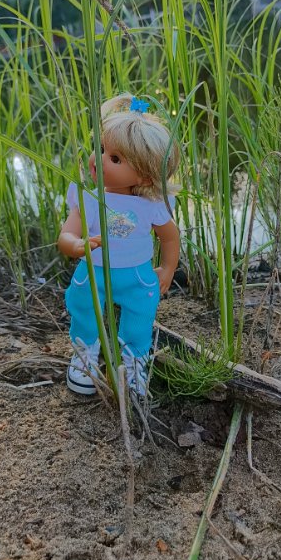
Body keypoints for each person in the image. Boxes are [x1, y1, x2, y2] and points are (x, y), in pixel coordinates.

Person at [58, 94, 181, 397]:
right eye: (100, 149)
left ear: (146, 173)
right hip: (94, 270)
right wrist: (75, 244)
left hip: (137, 275)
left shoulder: (150, 204)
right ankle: (85, 353)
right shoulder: (87, 197)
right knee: (84, 308)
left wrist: (167, 269)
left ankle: (134, 360)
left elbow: (170, 237)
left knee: (140, 315)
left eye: (114, 158)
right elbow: (66, 234)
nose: (98, 159)